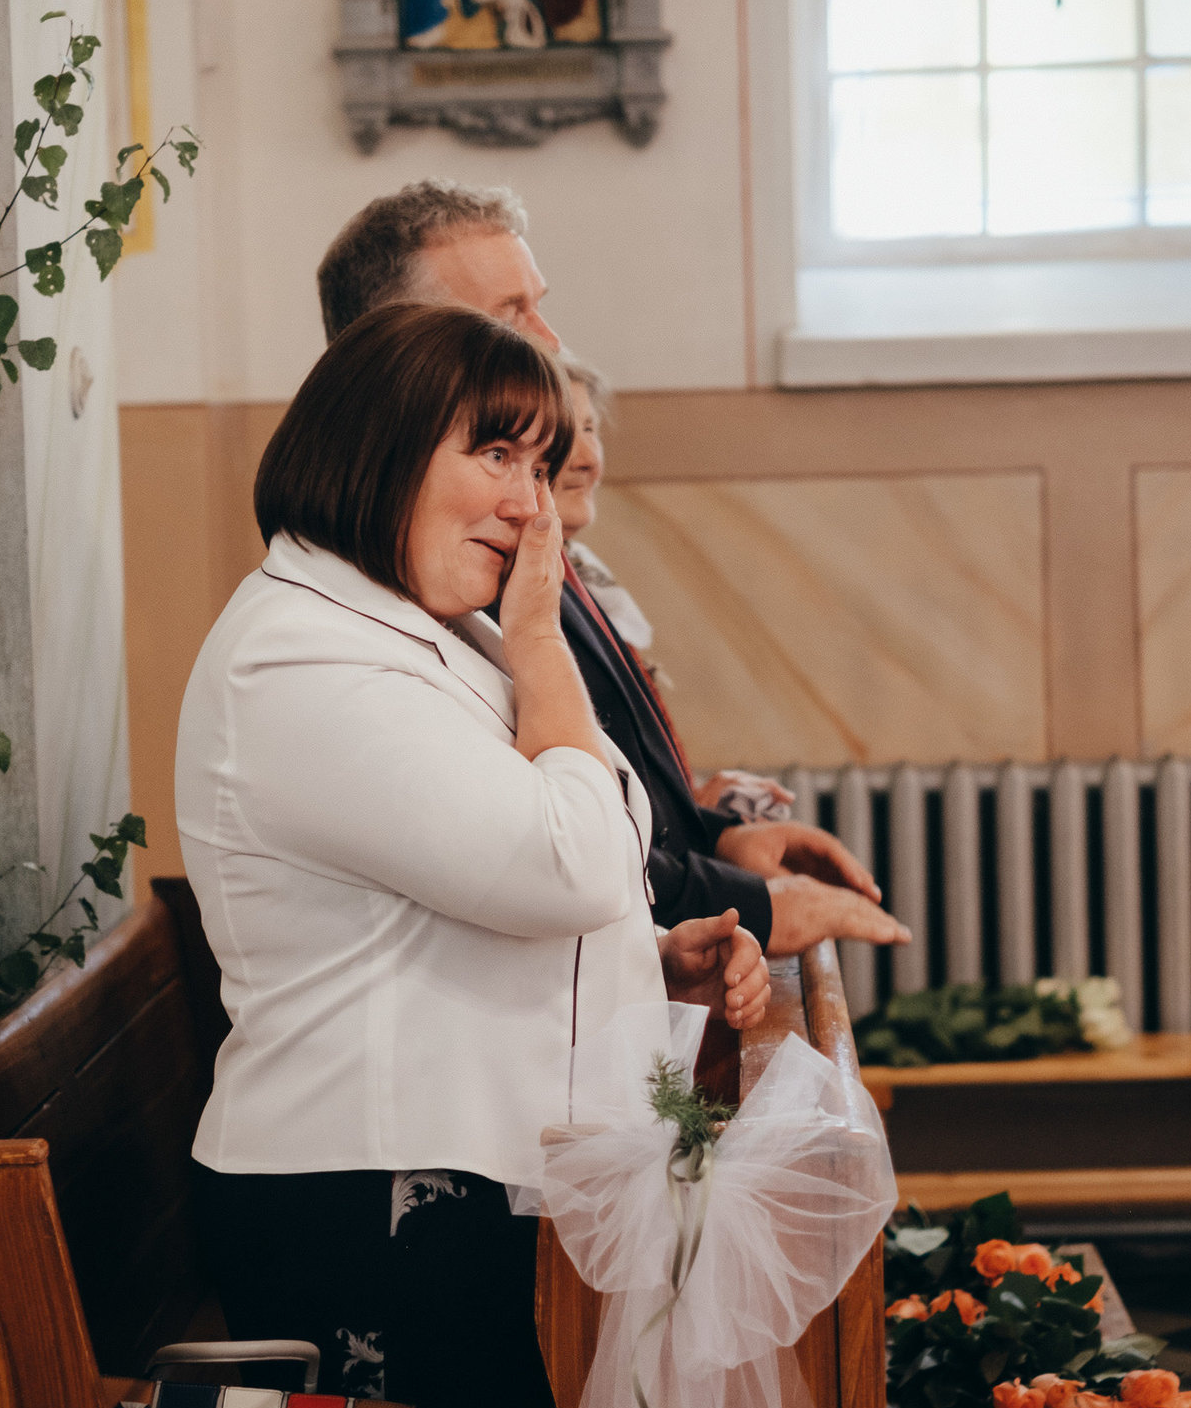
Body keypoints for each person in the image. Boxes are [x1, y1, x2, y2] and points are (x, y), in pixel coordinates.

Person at [176, 302, 773, 1408]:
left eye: (541, 464)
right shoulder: (300, 657)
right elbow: (565, 860)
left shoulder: (406, 628)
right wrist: (547, 641)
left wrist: (643, 956)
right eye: (494, 455)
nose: (528, 505)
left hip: (429, 1191)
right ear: (378, 444)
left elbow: (482, 886)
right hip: (356, 1206)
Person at [313, 183, 910, 988]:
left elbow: (607, 761)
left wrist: (712, 834)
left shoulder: (498, 526)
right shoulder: (440, 573)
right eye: (513, 312)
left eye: (542, 306)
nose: (551, 341)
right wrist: (757, 905)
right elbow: (565, 854)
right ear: (400, 353)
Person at [553, 351, 795, 822]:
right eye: (564, 435)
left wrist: (698, 808)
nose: (586, 459)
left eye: (590, 430)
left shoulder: (585, 577)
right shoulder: (522, 599)